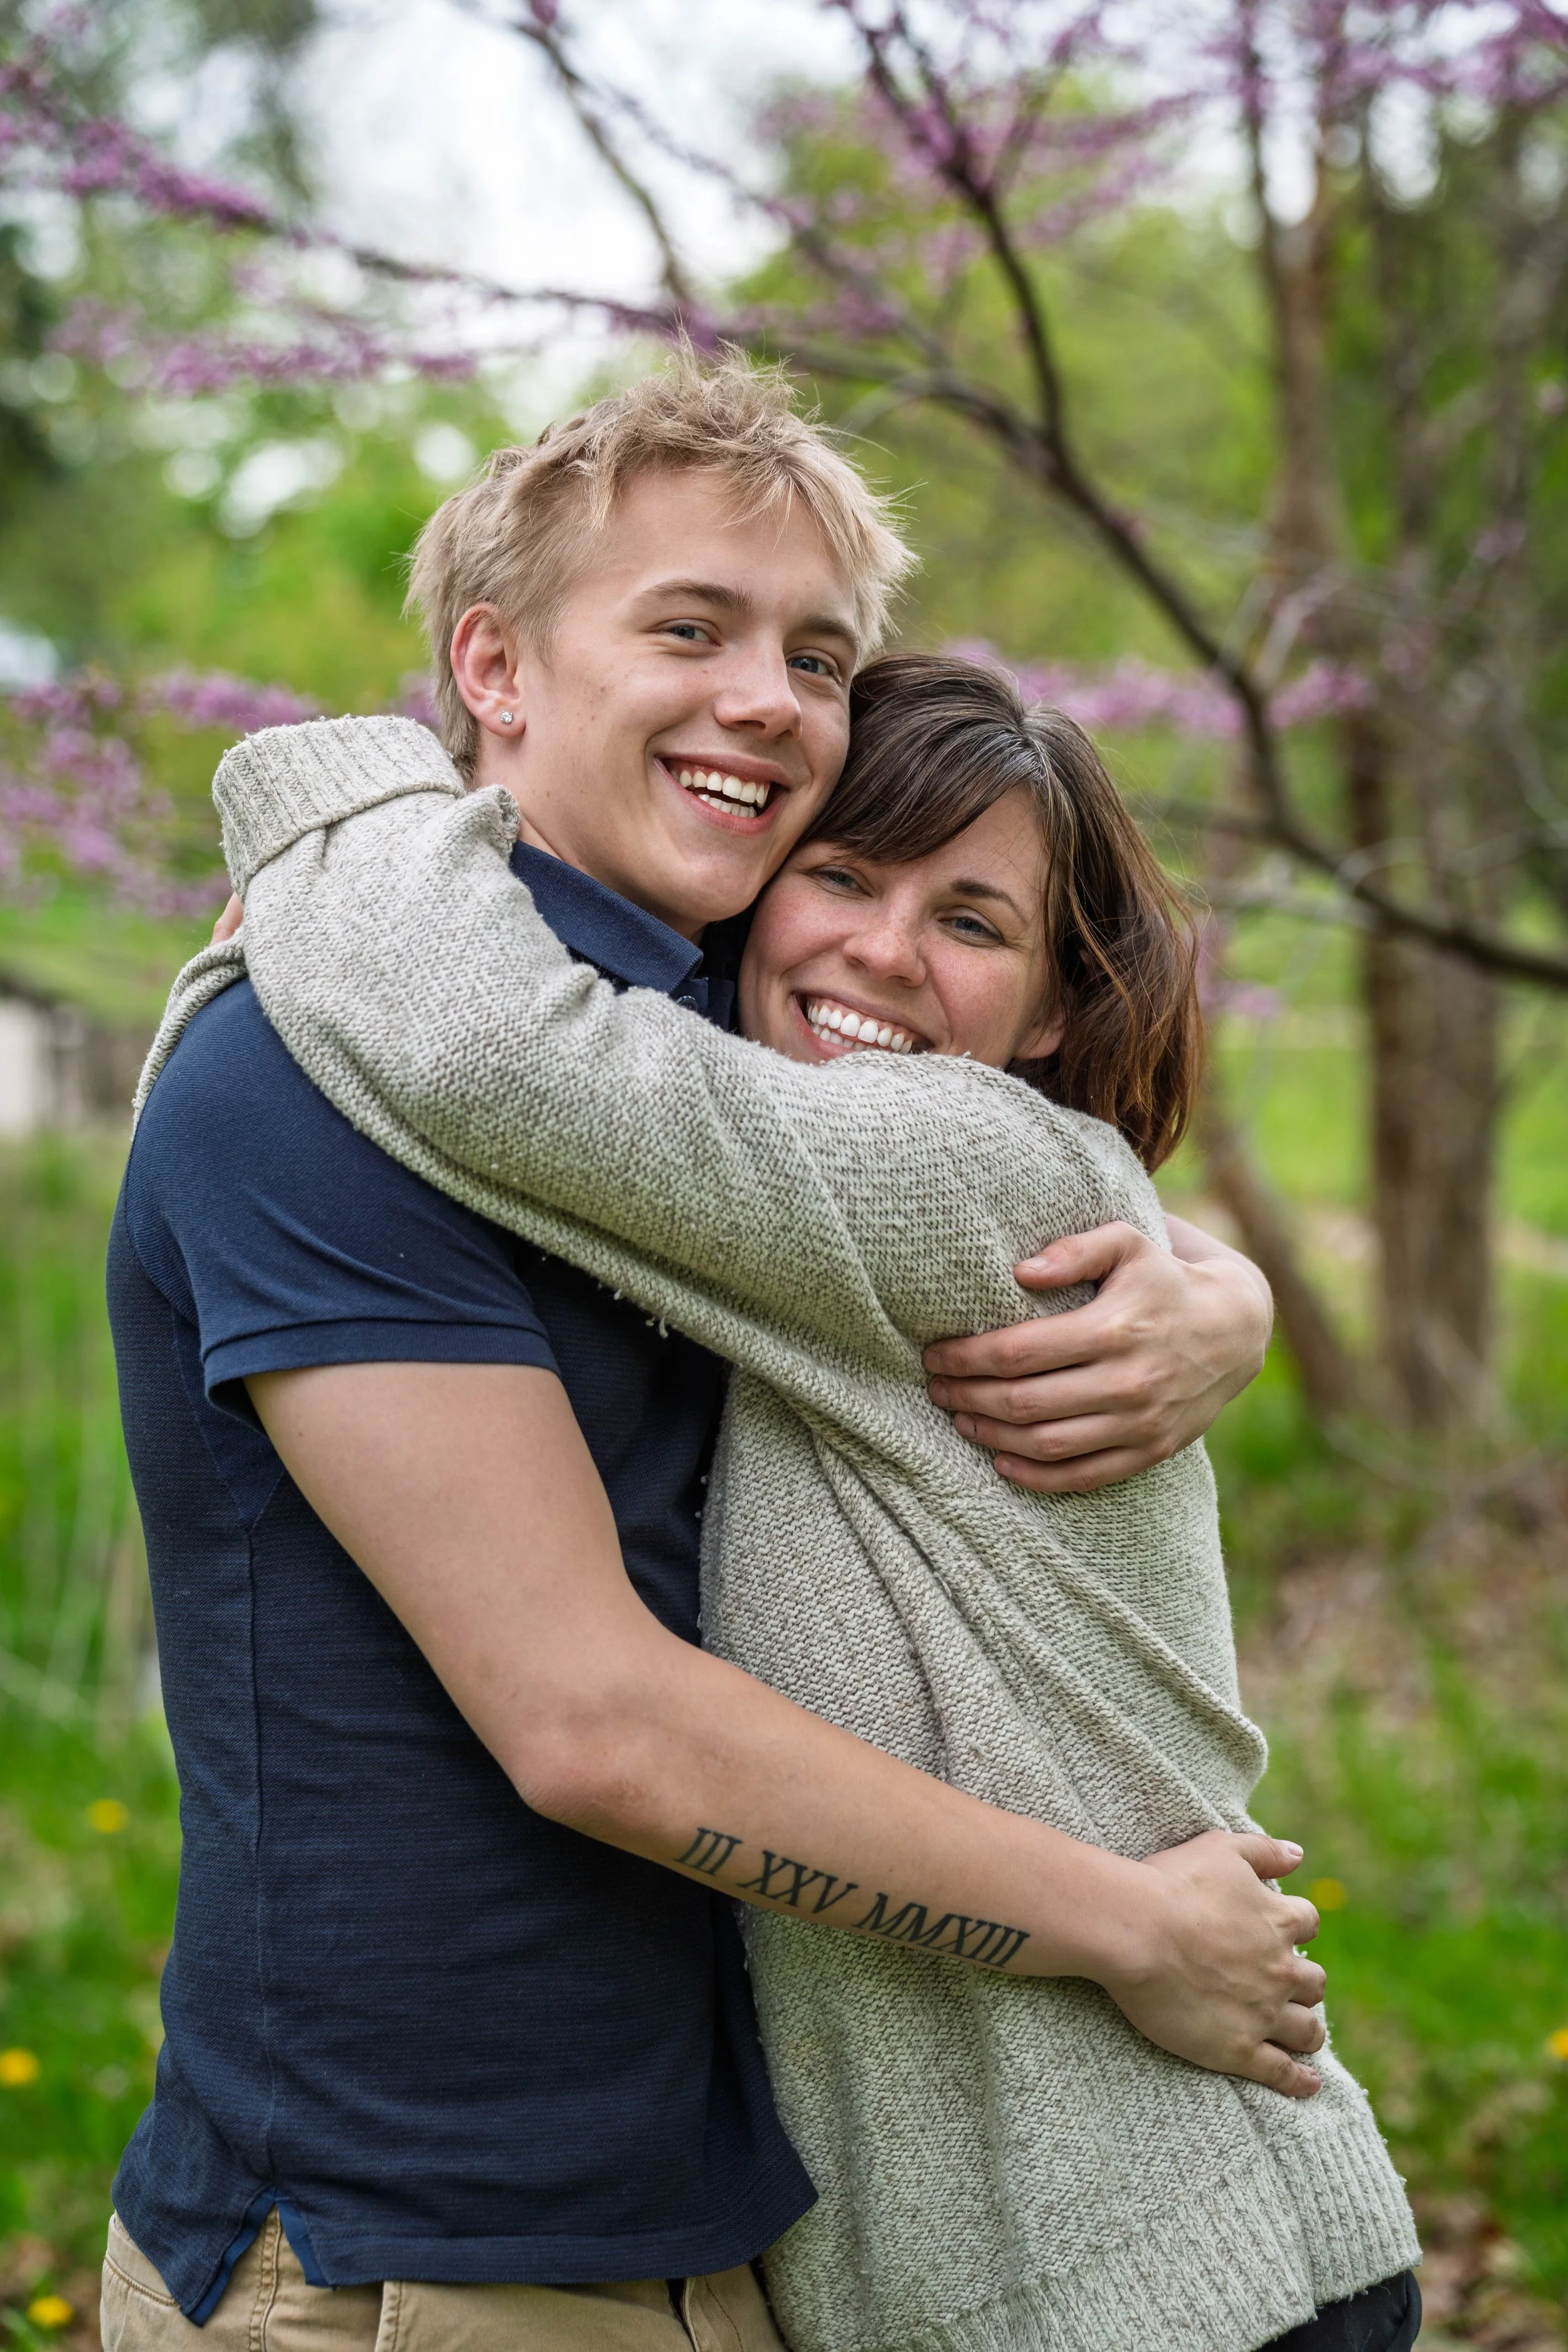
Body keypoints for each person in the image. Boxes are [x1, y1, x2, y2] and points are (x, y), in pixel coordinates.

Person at [106, 357, 1325, 2352]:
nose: (770, 696)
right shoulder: (310, 1071)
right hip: (407, 2255)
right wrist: (1132, 1924)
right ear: (491, 665)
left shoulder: (706, 1058)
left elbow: (931, 1160)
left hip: (744, 2234)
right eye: (690, 626)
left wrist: (1213, 1292)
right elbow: (587, 1717)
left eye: (819, 654)